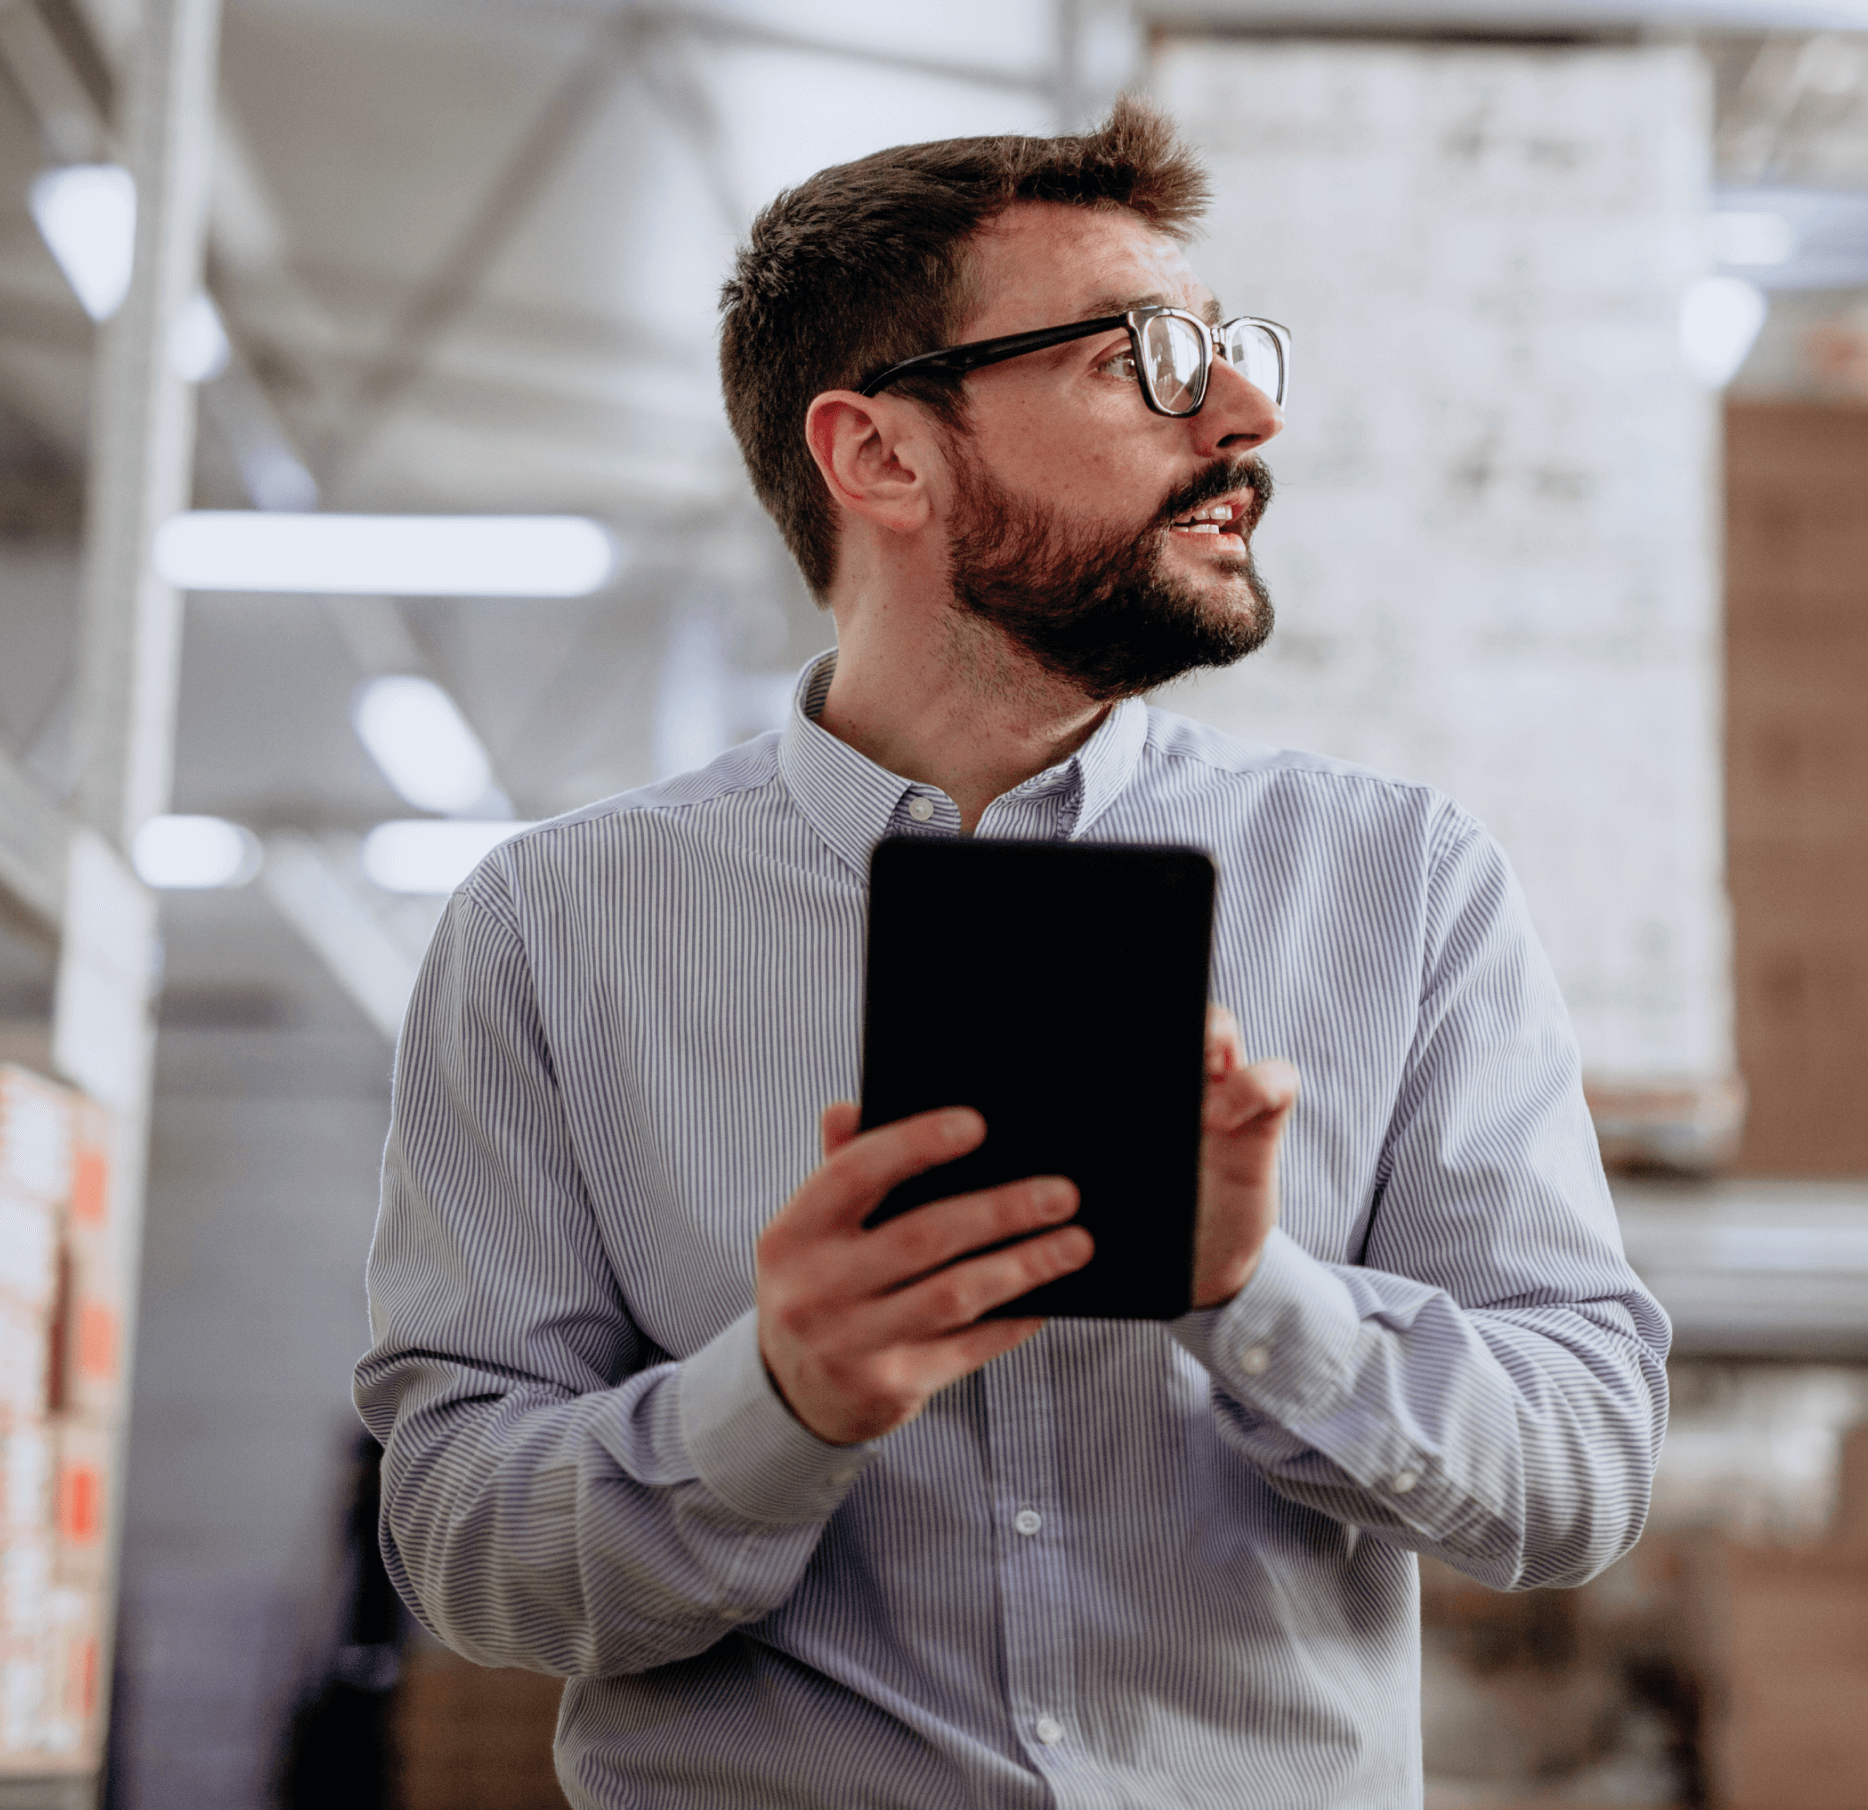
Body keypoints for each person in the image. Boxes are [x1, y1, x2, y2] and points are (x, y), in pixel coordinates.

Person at [355, 97, 1668, 1808]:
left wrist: (1251, 1297)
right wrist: (780, 1400)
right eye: (1149, 361)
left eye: (1230, 351)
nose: (1250, 415)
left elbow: (1580, 1470)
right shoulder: (549, 933)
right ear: (881, 454)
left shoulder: (1407, 887)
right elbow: (461, 1548)